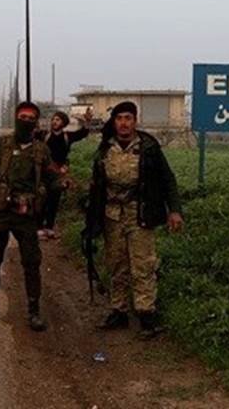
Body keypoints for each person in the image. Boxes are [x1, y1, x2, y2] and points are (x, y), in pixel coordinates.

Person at [86, 101, 183, 339]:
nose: (124, 123)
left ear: (135, 121)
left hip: (140, 213)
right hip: (112, 215)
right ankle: (118, 311)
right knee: (116, 264)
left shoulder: (148, 147)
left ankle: (146, 314)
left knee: (143, 265)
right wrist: (92, 218)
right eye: (119, 118)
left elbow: (167, 179)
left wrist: (174, 210)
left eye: (128, 118)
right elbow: (96, 185)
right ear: (114, 122)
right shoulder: (105, 148)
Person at [0, 101, 66, 332]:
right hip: (1, 212)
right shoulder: (0, 145)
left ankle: (34, 311)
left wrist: (62, 183)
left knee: (31, 262)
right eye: (23, 117)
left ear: (36, 122)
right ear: (16, 118)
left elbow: (52, 177)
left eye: (31, 118)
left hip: (26, 216)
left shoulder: (41, 150)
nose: (26, 121)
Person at [35, 109, 92, 239]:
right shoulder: (44, 135)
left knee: (54, 200)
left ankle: (49, 227)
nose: (54, 122)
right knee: (41, 199)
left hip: (58, 174)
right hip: (43, 174)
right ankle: (39, 227)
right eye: (53, 119)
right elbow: (31, 134)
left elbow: (83, 133)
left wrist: (87, 122)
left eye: (58, 119)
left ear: (64, 123)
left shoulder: (67, 137)